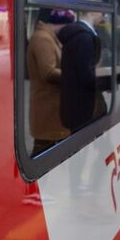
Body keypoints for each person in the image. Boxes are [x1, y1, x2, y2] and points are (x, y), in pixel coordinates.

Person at [27, 9, 75, 156]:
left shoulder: (49, 37)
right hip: (47, 108)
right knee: (43, 152)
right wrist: (74, 76)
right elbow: (48, 73)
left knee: (48, 153)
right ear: (62, 25)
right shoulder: (43, 39)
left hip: (51, 107)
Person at [58, 10, 107, 132]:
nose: (103, 16)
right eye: (102, 12)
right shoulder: (85, 38)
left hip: (72, 103)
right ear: (92, 12)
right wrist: (109, 80)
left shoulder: (75, 34)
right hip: (85, 108)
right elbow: (87, 77)